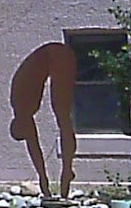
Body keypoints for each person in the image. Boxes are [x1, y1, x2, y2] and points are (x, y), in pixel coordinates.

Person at [8, 42, 79, 199]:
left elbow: (34, 147)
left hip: (55, 56)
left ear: (18, 125)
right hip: (59, 55)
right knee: (63, 117)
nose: (30, 131)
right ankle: (68, 170)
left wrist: (43, 179)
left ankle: (67, 171)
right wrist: (43, 180)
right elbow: (33, 143)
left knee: (61, 114)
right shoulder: (22, 107)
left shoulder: (21, 104)